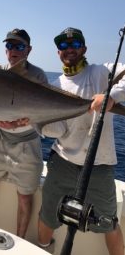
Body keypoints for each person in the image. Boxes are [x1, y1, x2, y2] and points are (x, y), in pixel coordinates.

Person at [38, 27, 125, 254]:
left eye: (75, 45)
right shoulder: (55, 86)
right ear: (58, 52)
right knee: (47, 216)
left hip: (100, 163)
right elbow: (57, 130)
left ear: (84, 49)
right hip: (63, 161)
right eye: (64, 46)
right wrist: (33, 121)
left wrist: (111, 96)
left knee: (108, 222)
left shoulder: (102, 72)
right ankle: (44, 248)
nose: (69, 50)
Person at [0, 28, 48, 238]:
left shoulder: (38, 75)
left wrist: (27, 119)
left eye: (19, 46)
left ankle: (19, 241)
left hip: (28, 141)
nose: (13, 50)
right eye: (9, 45)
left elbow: (43, 110)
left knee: (25, 197)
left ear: (29, 49)